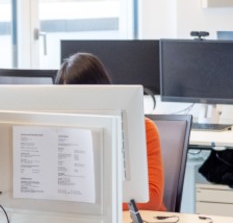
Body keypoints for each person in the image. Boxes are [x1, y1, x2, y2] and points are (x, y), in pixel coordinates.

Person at [56, 51, 163, 213]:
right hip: (78, 222)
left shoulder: (141, 129)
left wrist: (93, 205)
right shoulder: (57, 133)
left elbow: (152, 200)